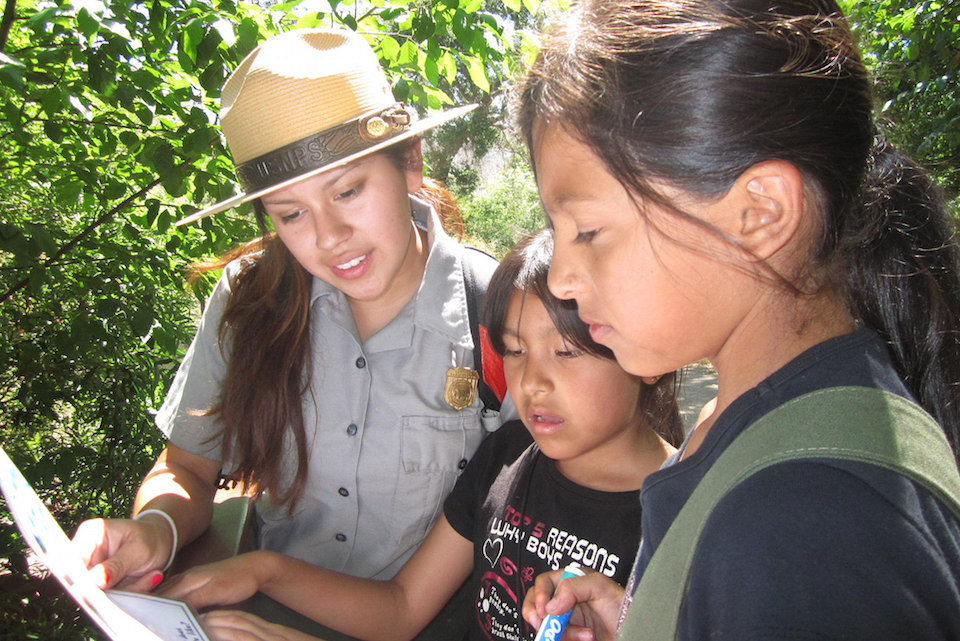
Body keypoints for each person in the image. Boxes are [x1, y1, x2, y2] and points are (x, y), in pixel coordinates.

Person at [515, 0, 960, 640]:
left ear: (760, 214)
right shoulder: (750, 422)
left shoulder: (803, 528)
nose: (559, 277)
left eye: (588, 230)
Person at [71, 27, 516, 597]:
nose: (330, 238)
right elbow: (188, 467)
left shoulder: (498, 312)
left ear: (409, 160)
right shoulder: (251, 300)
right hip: (261, 609)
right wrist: (155, 528)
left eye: (348, 191)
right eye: (291, 214)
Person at [154, 229, 684, 641]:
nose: (533, 382)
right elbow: (402, 608)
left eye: (566, 353)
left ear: (645, 351)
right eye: (515, 351)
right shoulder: (505, 459)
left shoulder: (682, 516)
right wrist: (263, 571)